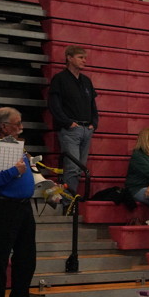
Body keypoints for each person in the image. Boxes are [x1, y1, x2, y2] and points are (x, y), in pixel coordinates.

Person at [0, 107, 39, 297]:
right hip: (2, 206)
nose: (21, 127)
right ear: (3, 126)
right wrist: (13, 172)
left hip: (24, 206)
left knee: (27, 257)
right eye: (16, 124)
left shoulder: (15, 145)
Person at [48, 45, 98, 194]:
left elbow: (92, 104)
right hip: (71, 129)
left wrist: (94, 123)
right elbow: (54, 104)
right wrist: (68, 123)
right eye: (80, 57)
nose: (84, 61)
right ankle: (68, 202)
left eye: (85, 58)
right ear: (69, 58)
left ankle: (69, 198)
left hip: (86, 128)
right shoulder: (60, 79)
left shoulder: (86, 81)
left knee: (80, 168)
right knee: (72, 167)